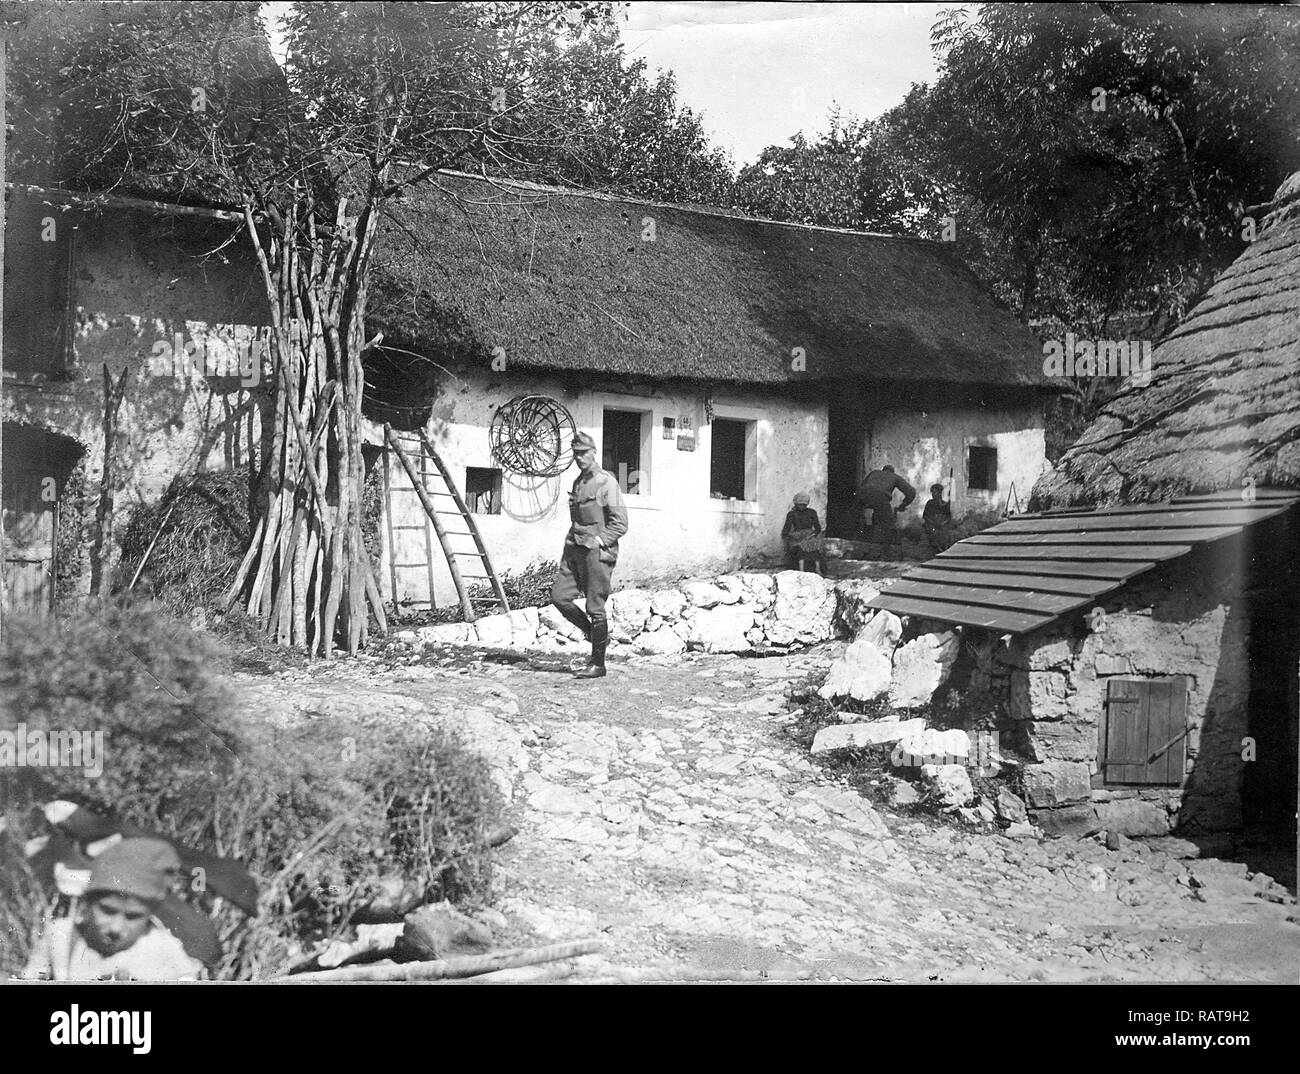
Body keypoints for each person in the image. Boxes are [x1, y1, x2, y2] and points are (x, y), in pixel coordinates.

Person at [21, 838, 204, 981]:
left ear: (150, 912)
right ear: (88, 902)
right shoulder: (61, 936)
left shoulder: (167, 953)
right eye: (107, 911)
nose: (116, 928)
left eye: (133, 916)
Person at [549, 430, 629, 679]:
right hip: (574, 548)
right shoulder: (578, 483)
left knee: (595, 607)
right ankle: (595, 635)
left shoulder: (607, 482)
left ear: (594, 452)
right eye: (575, 454)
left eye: (584, 453)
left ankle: (598, 664)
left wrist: (600, 541)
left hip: (596, 552)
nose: (579, 458)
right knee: (559, 597)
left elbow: (620, 523)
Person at [855, 464, 915, 558]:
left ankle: (862, 544)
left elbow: (863, 486)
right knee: (889, 525)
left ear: (883, 470)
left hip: (862, 495)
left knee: (860, 517)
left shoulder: (874, 473)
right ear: (892, 471)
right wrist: (903, 505)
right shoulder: (894, 477)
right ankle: (885, 554)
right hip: (880, 497)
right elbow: (911, 492)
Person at [781, 492, 824, 574]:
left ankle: (818, 569)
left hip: (810, 535)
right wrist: (794, 536)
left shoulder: (812, 512)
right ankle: (801, 570)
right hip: (797, 536)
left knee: (814, 543)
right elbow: (785, 531)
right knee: (802, 544)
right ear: (796, 504)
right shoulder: (791, 514)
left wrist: (811, 535)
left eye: (804, 505)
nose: (802, 506)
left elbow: (818, 528)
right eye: (800, 504)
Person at [922, 483, 953, 552]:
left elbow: (948, 517)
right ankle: (936, 549)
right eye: (932, 492)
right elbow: (925, 516)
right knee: (932, 533)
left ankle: (944, 549)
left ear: (939, 493)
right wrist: (932, 522)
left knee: (944, 535)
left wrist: (942, 523)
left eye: (934, 492)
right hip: (931, 525)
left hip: (942, 526)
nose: (933, 494)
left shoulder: (944, 504)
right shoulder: (929, 503)